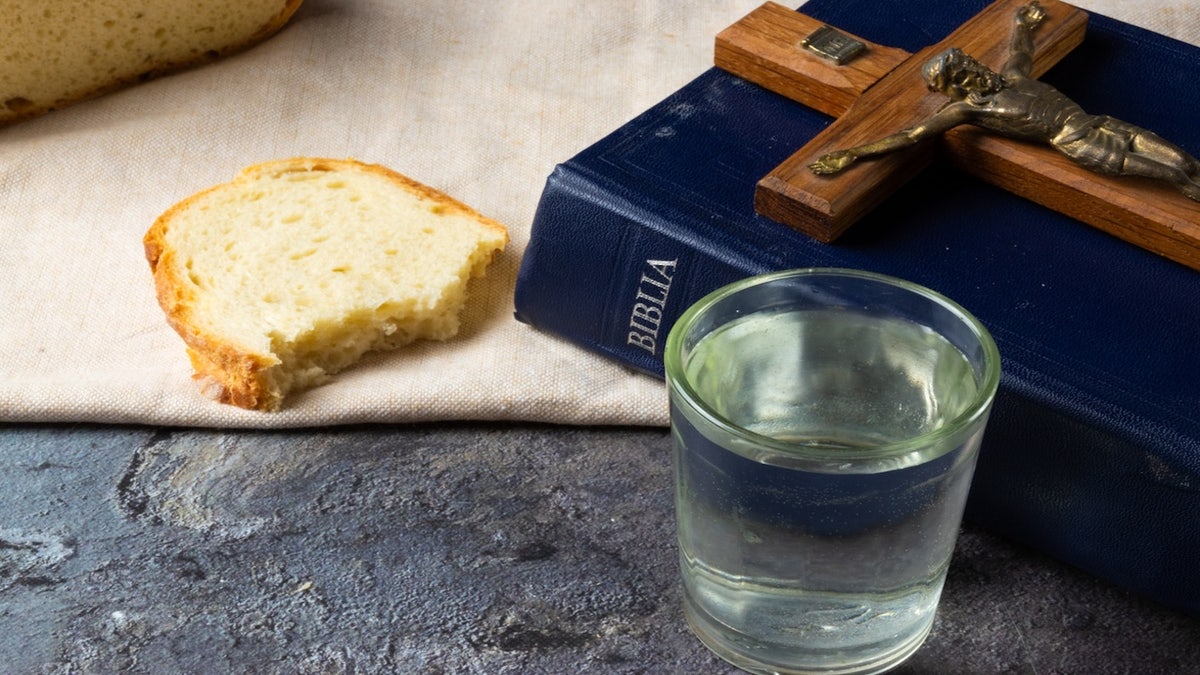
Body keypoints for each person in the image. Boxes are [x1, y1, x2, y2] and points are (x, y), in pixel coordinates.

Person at [809, 1, 1200, 202]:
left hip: (1101, 121)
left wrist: (1021, 23)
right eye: (963, 74)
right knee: (1174, 177)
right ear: (956, 88)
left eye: (972, 63)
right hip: (1083, 144)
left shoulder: (1012, 77)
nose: (976, 72)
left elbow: (1021, 51)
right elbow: (912, 134)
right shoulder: (967, 110)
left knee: (1185, 162)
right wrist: (855, 154)